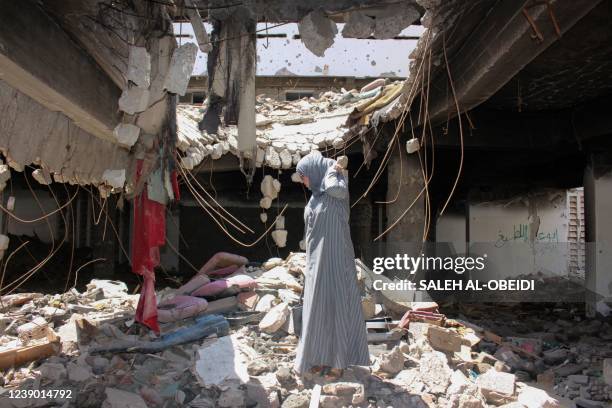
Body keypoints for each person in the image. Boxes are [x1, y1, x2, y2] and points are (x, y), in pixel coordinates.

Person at [293, 151, 370, 379]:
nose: (304, 183)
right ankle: (318, 357)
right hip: (316, 263)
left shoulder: (335, 183)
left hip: (336, 260)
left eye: (305, 177)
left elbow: (337, 190)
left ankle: (338, 363)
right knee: (318, 309)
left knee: (337, 308)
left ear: (316, 171)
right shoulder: (315, 196)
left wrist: (330, 170)